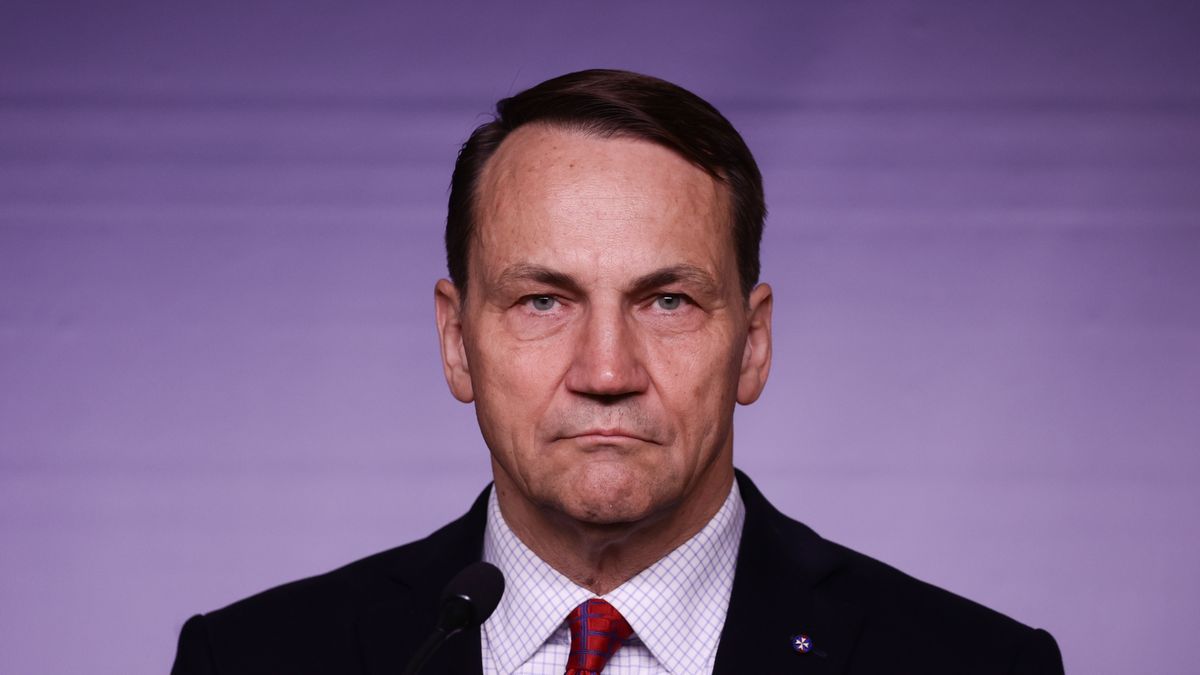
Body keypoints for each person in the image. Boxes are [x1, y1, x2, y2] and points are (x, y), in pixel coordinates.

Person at [171, 69, 1064, 674]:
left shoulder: (974, 662)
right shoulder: (256, 657)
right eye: (543, 301)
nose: (606, 370)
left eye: (667, 300)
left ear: (751, 344)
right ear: (455, 340)